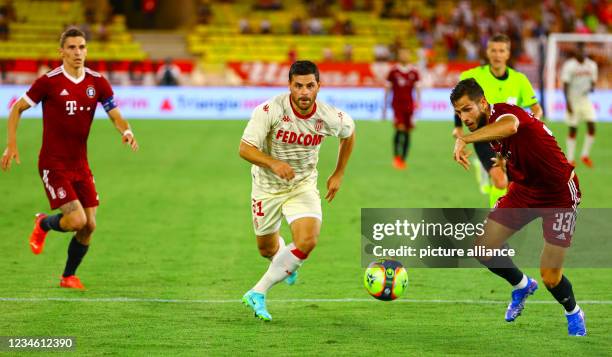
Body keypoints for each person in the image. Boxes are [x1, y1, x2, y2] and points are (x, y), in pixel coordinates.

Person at [1, 27, 139, 289]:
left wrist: (126, 130)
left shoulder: (97, 82)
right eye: (72, 47)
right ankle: (43, 223)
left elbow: (115, 113)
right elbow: (17, 108)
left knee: (89, 226)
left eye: (82, 47)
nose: (78, 52)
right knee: (77, 221)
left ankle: (68, 277)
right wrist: (11, 145)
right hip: (54, 164)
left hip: (80, 164)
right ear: (61, 51)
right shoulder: (49, 82)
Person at [451, 78, 586, 336]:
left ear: (483, 102)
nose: (463, 116)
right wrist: (504, 163)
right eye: (458, 112)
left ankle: (574, 312)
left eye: (467, 108)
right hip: (524, 191)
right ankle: (522, 285)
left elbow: (511, 127)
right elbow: (514, 145)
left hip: (558, 195)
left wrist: (464, 139)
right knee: (482, 247)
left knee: (551, 276)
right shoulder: (488, 128)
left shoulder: (504, 113)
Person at [239, 60, 355, 321]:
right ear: (289, 86)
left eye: (310, 86)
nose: (304, 92)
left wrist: (338, 172)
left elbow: (349, 134)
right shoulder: (269, 110)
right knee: (268, 251)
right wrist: (273, 163)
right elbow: (244, 148)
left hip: (302, 185)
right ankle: (285, 264)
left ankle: (258, 292)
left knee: (307, 240)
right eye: (298, 86)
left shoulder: (329, 116)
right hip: (266, 187)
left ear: (318, 87)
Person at [452, 34, 543, 207]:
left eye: (501, 50)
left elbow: (536, 109)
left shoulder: (519, 80)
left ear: (508, 54)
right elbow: (460, 101)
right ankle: (497, 218)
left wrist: (530, 129)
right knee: (500, 181)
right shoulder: (473, 77)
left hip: (509, 138)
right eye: (493, 50)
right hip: (483, 134)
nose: (497, 54)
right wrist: (458, 127)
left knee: (512, 183)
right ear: (487, 52)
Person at [560, 42, 598, 167]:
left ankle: (585, 155)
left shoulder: (591, 65)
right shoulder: (569, 66)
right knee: (573, 128)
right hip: (573, 99)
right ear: (575, 52)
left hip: (585, 99)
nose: (581, 53)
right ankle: (570, 158)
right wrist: (568, 103)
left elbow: (593, 81)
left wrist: (592, 87)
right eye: (579, 51)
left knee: (592, 125)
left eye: (583, 51)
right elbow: (565, 85)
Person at [383, 47, 420, 170]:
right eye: (402, 54)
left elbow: (418, 88)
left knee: (408, 132)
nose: (404, 56)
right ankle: (396, 157)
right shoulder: (393, 71)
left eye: (407, 54)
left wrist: (418, 103)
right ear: (399, 56)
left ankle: (403, 159)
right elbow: (387, 88)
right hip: (397, 105)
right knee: (400, 129)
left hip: (409, 106)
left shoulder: (414, 71)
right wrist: (384, 104)